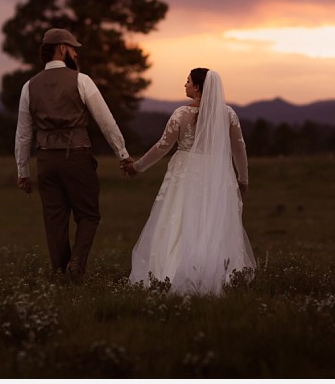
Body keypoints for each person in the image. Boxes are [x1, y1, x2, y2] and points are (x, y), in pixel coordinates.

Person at [122, 68, 255, 295]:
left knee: (180, 219)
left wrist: (137, 167)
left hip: (185, 173)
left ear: (197, 88)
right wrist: (243, 178)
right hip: (216, 174)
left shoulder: (180, 114)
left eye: (187, 81)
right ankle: (214, 271)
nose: (184, 85)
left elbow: (162, 147)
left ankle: (171, 270)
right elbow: (239, 149)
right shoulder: (228, 114)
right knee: (210, 221)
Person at [15, 28, 130, 281]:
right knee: (88, 215)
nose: (76, 53)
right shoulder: (81, 80)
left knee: (54, 220)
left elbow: (23, 133)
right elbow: (106, 121)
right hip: (76, 157)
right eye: (73, 48)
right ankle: (76, 265)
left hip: (45, 160)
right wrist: (122, 153)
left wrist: (23, 171)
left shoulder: (29, 86)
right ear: (62, 49)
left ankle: (60, 274)